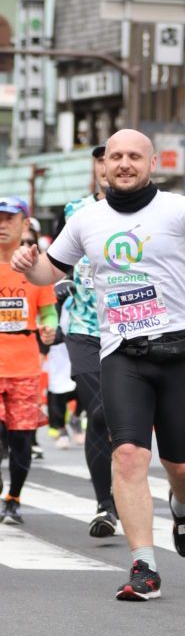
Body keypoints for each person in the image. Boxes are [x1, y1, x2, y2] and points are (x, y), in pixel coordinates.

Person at [11, 129, 185, 599]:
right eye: (115, 157)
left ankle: (183, 505)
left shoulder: (180, 208)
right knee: (128, 456)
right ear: (104, 165)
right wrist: (30, 264)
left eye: (134, 157)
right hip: (122, 352)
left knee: (181, 466)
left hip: (180, 351)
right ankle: (143, 565)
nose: (124, 164)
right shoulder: (86, 219)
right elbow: (51, 270)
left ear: (150, 164)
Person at [56, 144, 119, 536]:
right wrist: (60, 282)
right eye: (100, 159)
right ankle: (104, 505)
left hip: (128, 329)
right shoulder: (75, 210)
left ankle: (126, 491)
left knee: (115, 418)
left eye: (111, 157)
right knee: (97, 411)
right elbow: (61, 258)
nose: (106, 166)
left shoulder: (151, 211)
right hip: (82, 326)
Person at [0, 196, 57, 524]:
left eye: (10, 218)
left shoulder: (36, 268)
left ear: (25, 224)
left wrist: (49, 327)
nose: (3, 225)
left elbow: (48, 310)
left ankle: (14, 497)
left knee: (21, 439)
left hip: (24, 367)